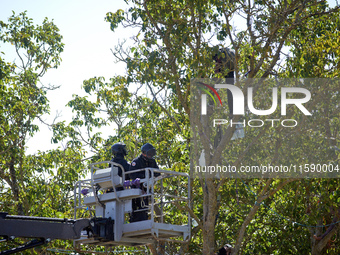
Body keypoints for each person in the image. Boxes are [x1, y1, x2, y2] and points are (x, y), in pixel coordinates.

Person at [128, 143, 160, 222]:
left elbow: (157, 173)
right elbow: (132, 174)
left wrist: (151, 177)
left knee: (145, 207)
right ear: (143, 153)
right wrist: (144, 176)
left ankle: (144, 219)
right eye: (149, 154)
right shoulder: (136, 162)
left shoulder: (152, 162)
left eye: (152, 154)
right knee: (136, 206)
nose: (150, 156)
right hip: (137, 189)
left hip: (147, 189)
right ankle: (133, 219)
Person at [213, 47, 235, 118]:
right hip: (229, 66)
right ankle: (232, 112)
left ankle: (232, 112)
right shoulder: (221, 55)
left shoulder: (223, 56)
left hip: (230, 67)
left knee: (230, 91)